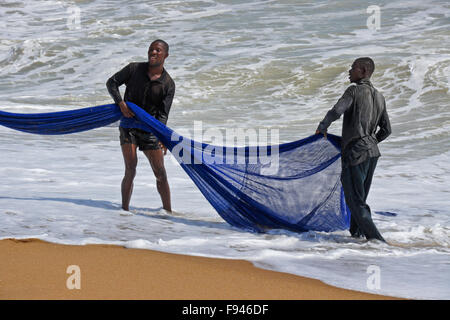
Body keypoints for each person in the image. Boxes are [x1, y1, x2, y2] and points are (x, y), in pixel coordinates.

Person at [315, 57, 391, 242]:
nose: (349, 71)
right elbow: (387, 130)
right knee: (360, 199)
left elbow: (336, 111)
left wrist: (322, 127)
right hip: (372, 154)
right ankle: (356, 237)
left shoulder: (353, 91)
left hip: (356, 155)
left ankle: (378, 242)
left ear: (364, 71)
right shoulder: (380, 96)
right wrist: (370, 142)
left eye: (353, 68)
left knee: (355, 202)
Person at [106, 39, 175, 212]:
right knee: (130, 168)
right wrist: (121, 103)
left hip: (150, 130)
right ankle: (124, 212)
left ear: (165, 55)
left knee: (160, 173)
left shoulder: (168, 84)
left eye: (158, 50)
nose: (153, 52)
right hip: (128, 126)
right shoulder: (134, 69)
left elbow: (163, 114)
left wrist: (163, 137)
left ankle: (168, 213)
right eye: (151, 49)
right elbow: (112, 82)